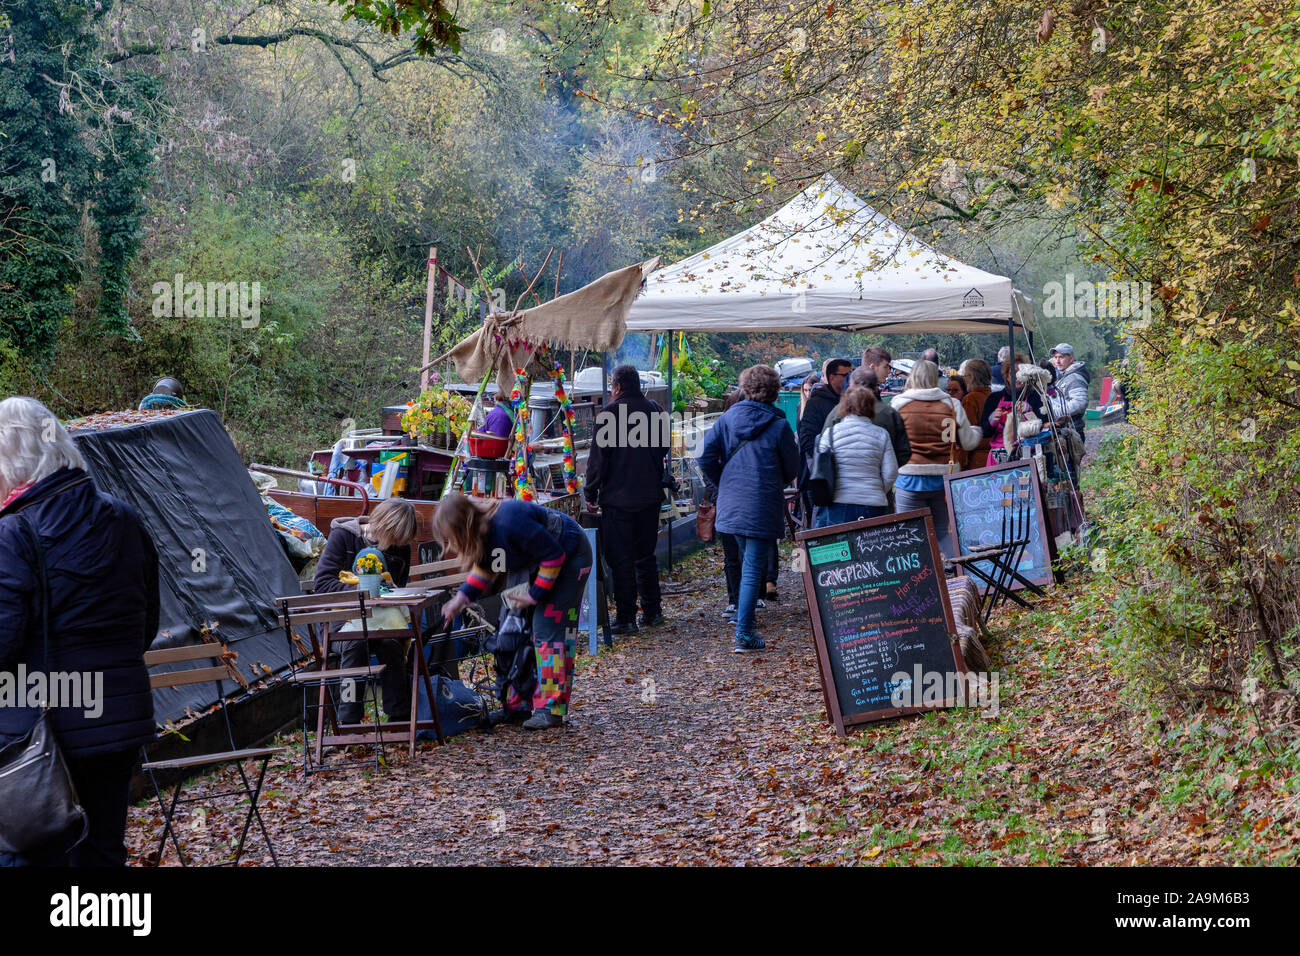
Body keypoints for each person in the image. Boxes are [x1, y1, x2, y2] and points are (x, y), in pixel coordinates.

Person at [0, 397, 159, 867]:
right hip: (118, 725)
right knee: (102, 852)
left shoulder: (13, 533)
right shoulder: (126, 519)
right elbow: (145, 623)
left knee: (29, 853)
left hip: (37, 733)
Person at [436, 493, 592, 729]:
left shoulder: (510, 521)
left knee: (546, 630)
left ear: (463, 527)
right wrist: (460, 599)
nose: (450, 545)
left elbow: (554, 556)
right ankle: (516, 705)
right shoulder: (484, 533)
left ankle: (550, 709)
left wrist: (533, 596)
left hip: (570, 558)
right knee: (511, 628)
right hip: (534, 568)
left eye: (451, 538)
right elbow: (485, 569)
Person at [698, 365, 798, 653]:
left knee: (746, 564)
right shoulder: (779, 426)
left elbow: (704, 455)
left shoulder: (727, 418)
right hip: (762, 503)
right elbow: (792, 467)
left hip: (731, 503)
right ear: (775, 390)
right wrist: (770, 481)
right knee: (753, 568)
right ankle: (743, 633)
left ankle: (744, 627)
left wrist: (724, 481)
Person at [314, 497, 422, 724]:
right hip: (344, 622)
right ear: (383, 526)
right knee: (356, 643)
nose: (396, 544)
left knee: (392, 644)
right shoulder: (343, 537)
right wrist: (360, 591)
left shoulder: (400, 547)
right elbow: (322, 585)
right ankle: (348, 720)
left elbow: (398, 587)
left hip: (382, 620)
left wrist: (389, 590)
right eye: (394, 538)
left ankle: (399, 717)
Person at [583, 364, 668, 633]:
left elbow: (597, 461)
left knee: (620, 559)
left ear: (617, 387)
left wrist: (590, 491)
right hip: (650, 496)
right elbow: (663, 448)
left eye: (611, 387)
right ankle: (653, 611)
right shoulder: (654, 412)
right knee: (645, 555)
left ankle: (626, 617)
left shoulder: (609, 415)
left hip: (618, 499)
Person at [891, 361, 982, 557]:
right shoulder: (951, 404)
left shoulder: (898, 404)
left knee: (910, 534)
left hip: (909, 478)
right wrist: (977, 430)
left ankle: (918, 580)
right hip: (944, 479)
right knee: (943, 531)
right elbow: (967, 442)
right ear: (936, 379)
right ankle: (955, 577)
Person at [815, 386, 898, 526]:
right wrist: (876, 488)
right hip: (874, 502)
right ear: (871, 406)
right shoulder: (882, 434)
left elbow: (820, 470)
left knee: (842, 545)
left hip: (839, 502)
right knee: (872, 547)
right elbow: (891, 471)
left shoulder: (829, 434)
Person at [798, 358, 851, 527]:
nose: (849, 378)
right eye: (845, 375)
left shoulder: (852, 400)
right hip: (825, 478)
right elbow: (806, 440)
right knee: (825, 528)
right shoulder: (817, 402)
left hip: (850, 479)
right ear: (832, 377)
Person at [823, 366, 911, 468]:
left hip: (842, 479)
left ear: (851, 385)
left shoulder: (837, 412)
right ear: (876, 387)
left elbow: (823, 449)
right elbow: (904, 452)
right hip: (877, 478)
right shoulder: (890, 414)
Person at [980, 351, 1046, 463]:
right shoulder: (994, 398)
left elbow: (1045, 424)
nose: (1016, 377)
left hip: (1027, 454)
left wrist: (1028, 410)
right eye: (1012, 373)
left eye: (1021, 372)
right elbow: (984, 431)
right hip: (997, 457)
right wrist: (992, 421)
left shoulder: (1036, 397)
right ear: (1006, 376)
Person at [1047, 343, 1091, 436]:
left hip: (1072, 432)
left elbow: (1080, 403)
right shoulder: (1063, 375)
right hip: (1063, 430)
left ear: (1071, 358)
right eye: (1055, 357)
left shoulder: (1075, 378)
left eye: (1061, 357)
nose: (1057, 361)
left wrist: (1053, 412)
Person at [958, 358, 994, 469]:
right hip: (993, 458)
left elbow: (966, 437)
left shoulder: (971, 399)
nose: (964, 380)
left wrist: (961, 464)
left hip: (976, 462)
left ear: (972, 377)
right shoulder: (994, 396)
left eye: (965, 376)